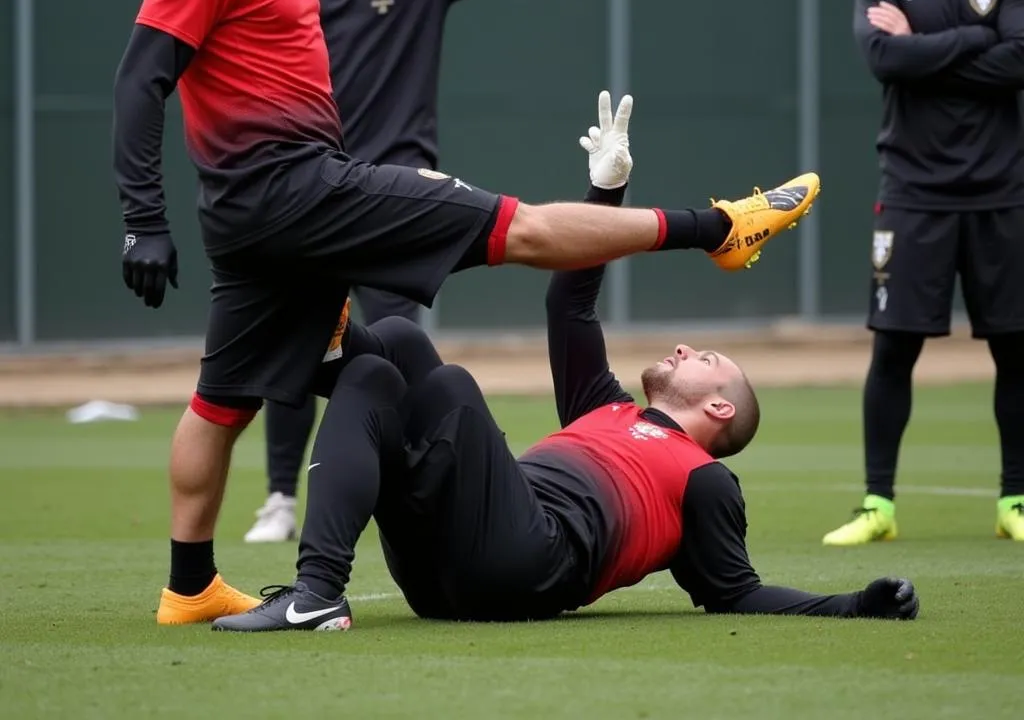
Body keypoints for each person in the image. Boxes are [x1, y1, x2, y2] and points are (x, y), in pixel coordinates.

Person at [111, 0, 821, 626]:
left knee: (235, 396)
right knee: (519, 231)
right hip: (305, 190)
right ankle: (722, 228)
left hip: (269, 206)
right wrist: (142, 217)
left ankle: (188, 587)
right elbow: (139, 80)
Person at [211, 90, 915, 633]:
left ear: (719, 407)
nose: (681, 349)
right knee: (390, 348)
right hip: (442, 564)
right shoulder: (604, 407)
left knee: (448, 385)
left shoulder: (705, 480)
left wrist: (854, 604)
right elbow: (569, 308)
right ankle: (318, 567)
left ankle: (320, 373)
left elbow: (736, 590)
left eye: (705, 357)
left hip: (524, 565)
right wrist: (606, 190)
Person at [245, 0, 692, 544]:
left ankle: (416, 490)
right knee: (296, 344)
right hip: (310, 186)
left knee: (391, 349)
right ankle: (277, 497)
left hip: (394, 193)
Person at [823, 0, 1024, 547]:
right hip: (911, 192)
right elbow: (883, 58)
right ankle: (878, 504)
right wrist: (977, 35)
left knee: (1016, 349)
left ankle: (1016, 501)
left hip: (1004, 193)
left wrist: (926, 43)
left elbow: (1019, 60)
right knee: (894, 349)